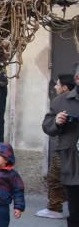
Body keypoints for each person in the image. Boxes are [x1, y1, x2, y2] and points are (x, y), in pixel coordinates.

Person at [41, 68, 79, 227]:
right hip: (73, 166)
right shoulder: (61, 101)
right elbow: (47, 125)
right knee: (75, 214)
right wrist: (56, 122)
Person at [36, 74, 73, 219]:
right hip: (63, 147)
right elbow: (48, 124)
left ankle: (55, 207)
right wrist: (57, 122)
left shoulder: (66, 102)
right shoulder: (58, 103)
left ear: (64, 87)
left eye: (57, 85)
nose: (56, 87)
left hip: (66, 149)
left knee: (55, 177)